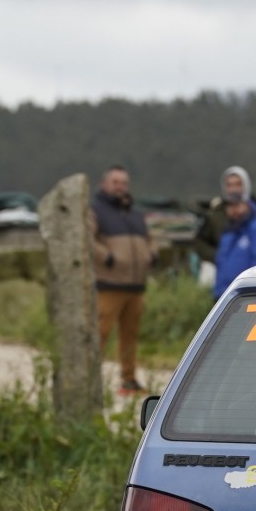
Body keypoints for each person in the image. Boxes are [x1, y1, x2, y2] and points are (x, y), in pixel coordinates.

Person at [91, 165, 154, 394]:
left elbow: (150, 237)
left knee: (131, 334)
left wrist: (151, 253)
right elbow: (87, 239)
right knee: (100, 333)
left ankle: (129, 379)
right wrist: (107, 257)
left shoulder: (135, 213)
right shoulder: (95, 210)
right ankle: (90, 379)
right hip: (109, 284)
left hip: (136, 285)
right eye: (116, 182)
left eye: (124, 183)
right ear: (104, 184)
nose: (120, 187)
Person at [194, 166, 256, 263]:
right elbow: (200, 242)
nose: (233, 190)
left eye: (238, 184)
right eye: (229, 185)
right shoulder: (216, 214)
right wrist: (219, 257)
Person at [214, 190, 256, 297]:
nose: (234, 210)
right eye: (230, 206)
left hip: (246, 296)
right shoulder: (228, 233)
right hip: (224, 295)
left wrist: (250, 291)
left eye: (237, 205)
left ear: (247, 205)